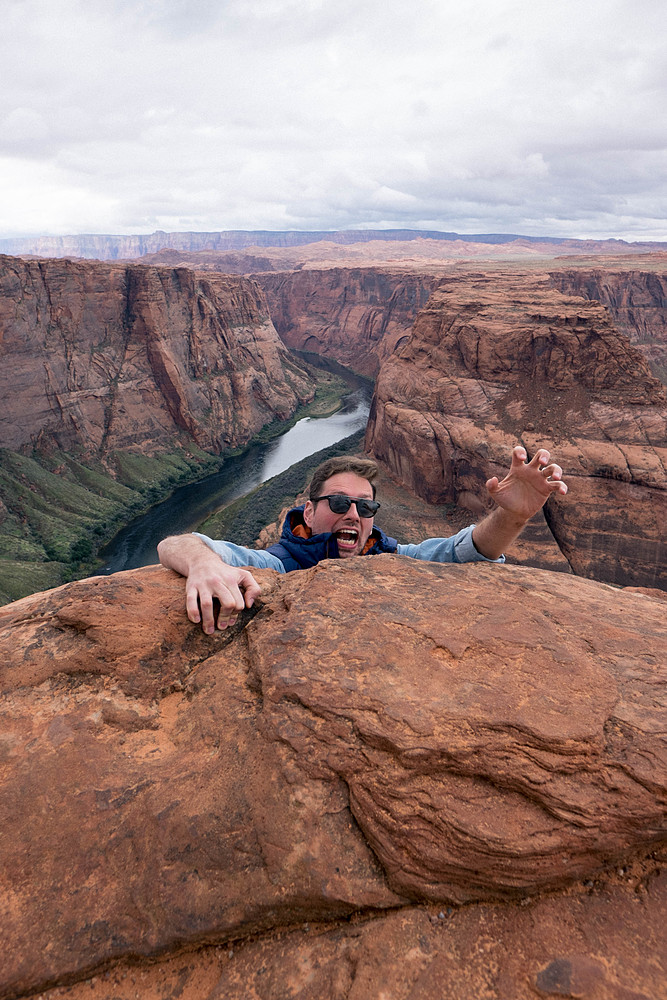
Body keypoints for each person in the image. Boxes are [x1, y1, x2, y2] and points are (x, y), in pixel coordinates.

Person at [158, 445, 567, 634]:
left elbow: (465, 551)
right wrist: (204, 563)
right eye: (338, 502)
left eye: (365, 508)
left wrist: (512, 515)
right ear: (309, 510)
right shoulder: (277, 564)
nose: (353, 514)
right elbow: (174, 544)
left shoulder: (392, 557)